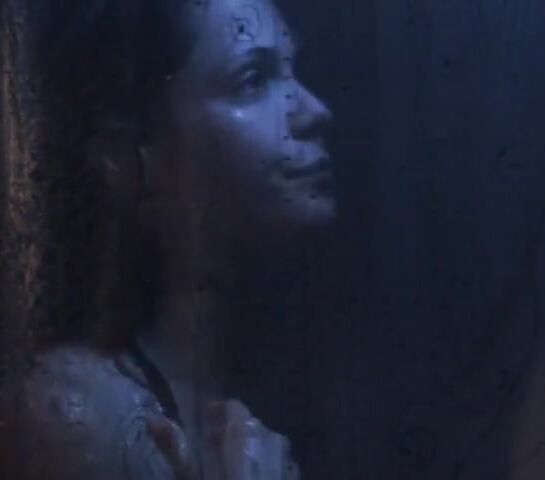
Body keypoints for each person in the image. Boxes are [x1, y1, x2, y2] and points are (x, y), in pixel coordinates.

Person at [0, 0, 334, 478]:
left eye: (292, 72)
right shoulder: (84, 417)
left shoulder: (283, 373)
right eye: (253, 79)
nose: (316, 111)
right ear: (127, 156)